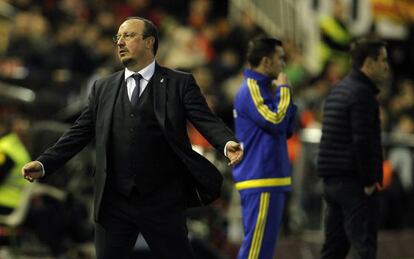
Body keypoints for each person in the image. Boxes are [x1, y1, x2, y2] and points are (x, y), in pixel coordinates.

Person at [21, 17, 243, 259]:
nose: (120, 43)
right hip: (114, 201)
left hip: (162, 200)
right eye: (118, 37)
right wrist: (45, 163)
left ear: (149, 42)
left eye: (128, 36)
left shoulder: (179, 83)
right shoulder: (103, 88)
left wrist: (227, 143)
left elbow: (206, 120)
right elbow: (78, 132)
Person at [317, 38, 390, 259]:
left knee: (334, 249)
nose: (386, 66)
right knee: (364, 247)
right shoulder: (362, 94)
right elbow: (362, 140)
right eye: (383, 60)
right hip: (354, 182)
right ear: (369, 62)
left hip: (332, 181)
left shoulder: (338, 90)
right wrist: (369, 180)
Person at [232, 38, 297, 259]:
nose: (283, 64)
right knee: (255, 251)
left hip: (271, 178)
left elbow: (288, 127)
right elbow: (277, 120)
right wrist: (285, 90)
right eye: (280, 58)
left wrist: (281, 93)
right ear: (267, 61)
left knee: (263, 251)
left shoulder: (264, 88)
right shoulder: (251, 89)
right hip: (261, 178)